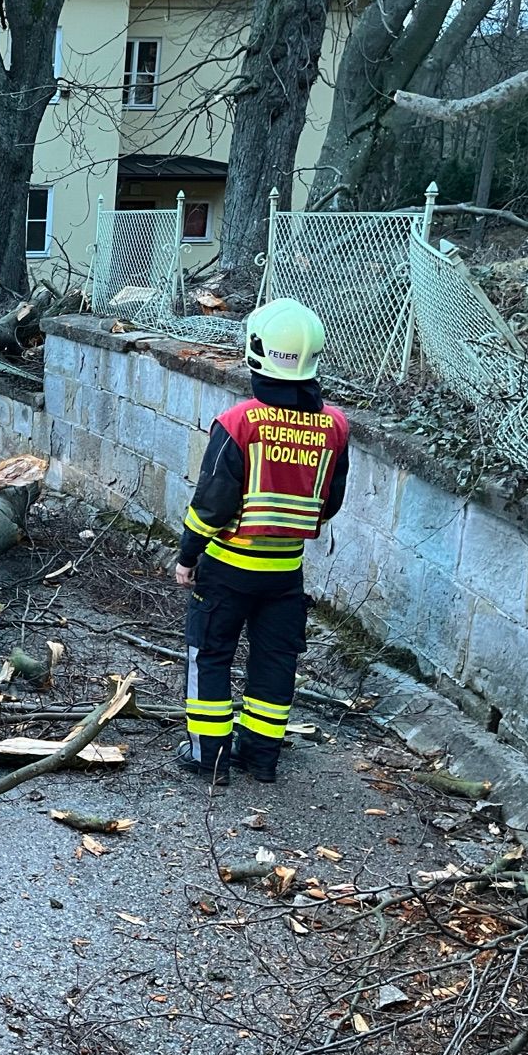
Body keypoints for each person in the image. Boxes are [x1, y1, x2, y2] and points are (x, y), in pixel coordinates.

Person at [174, 298, 350, 785]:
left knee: (209, 655)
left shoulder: (239, 424)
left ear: (256, 352)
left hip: (228, 568)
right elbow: (329, 502)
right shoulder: (334, 427)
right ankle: (261, 758)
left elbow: (212, 502)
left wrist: (188, 556)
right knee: (274, 662)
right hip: (285, 575)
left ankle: (209, 759)